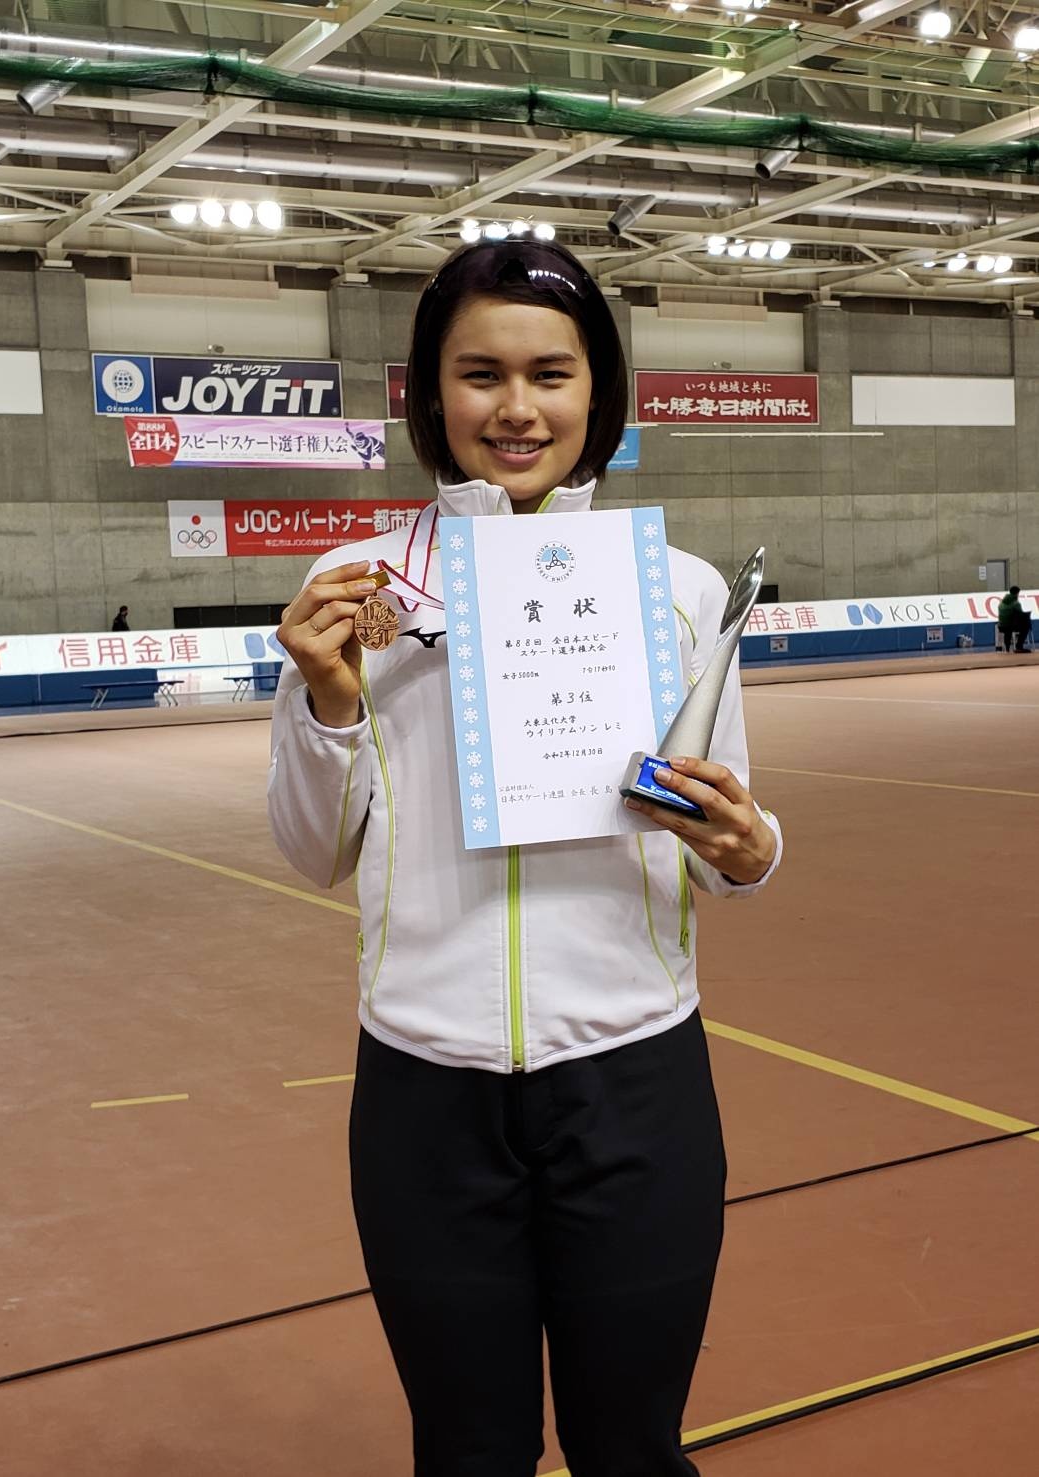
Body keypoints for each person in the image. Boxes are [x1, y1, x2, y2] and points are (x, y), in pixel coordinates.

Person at [268, 238, 783, 1477]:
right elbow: (312, 851)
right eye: (479, 374)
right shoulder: (358, 592)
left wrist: (752, 844)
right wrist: (328, 700)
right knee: (467, 1451)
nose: (515, 408)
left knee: (632, 1447)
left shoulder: (676, 591)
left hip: (634, 1075)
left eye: (550, 374)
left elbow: (723, 836)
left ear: (597, 389)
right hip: (424, 1089)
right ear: (428, 394)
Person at [997, 586, 1031, 653]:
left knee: (1008, 630)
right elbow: (1020, 615)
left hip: (1001, 626)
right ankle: (1019, 646)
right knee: (1026, 627)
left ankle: (1007, 649)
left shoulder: (1001, 603)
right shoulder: (1016, 603)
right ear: (1017, 593)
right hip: (1010, 626)